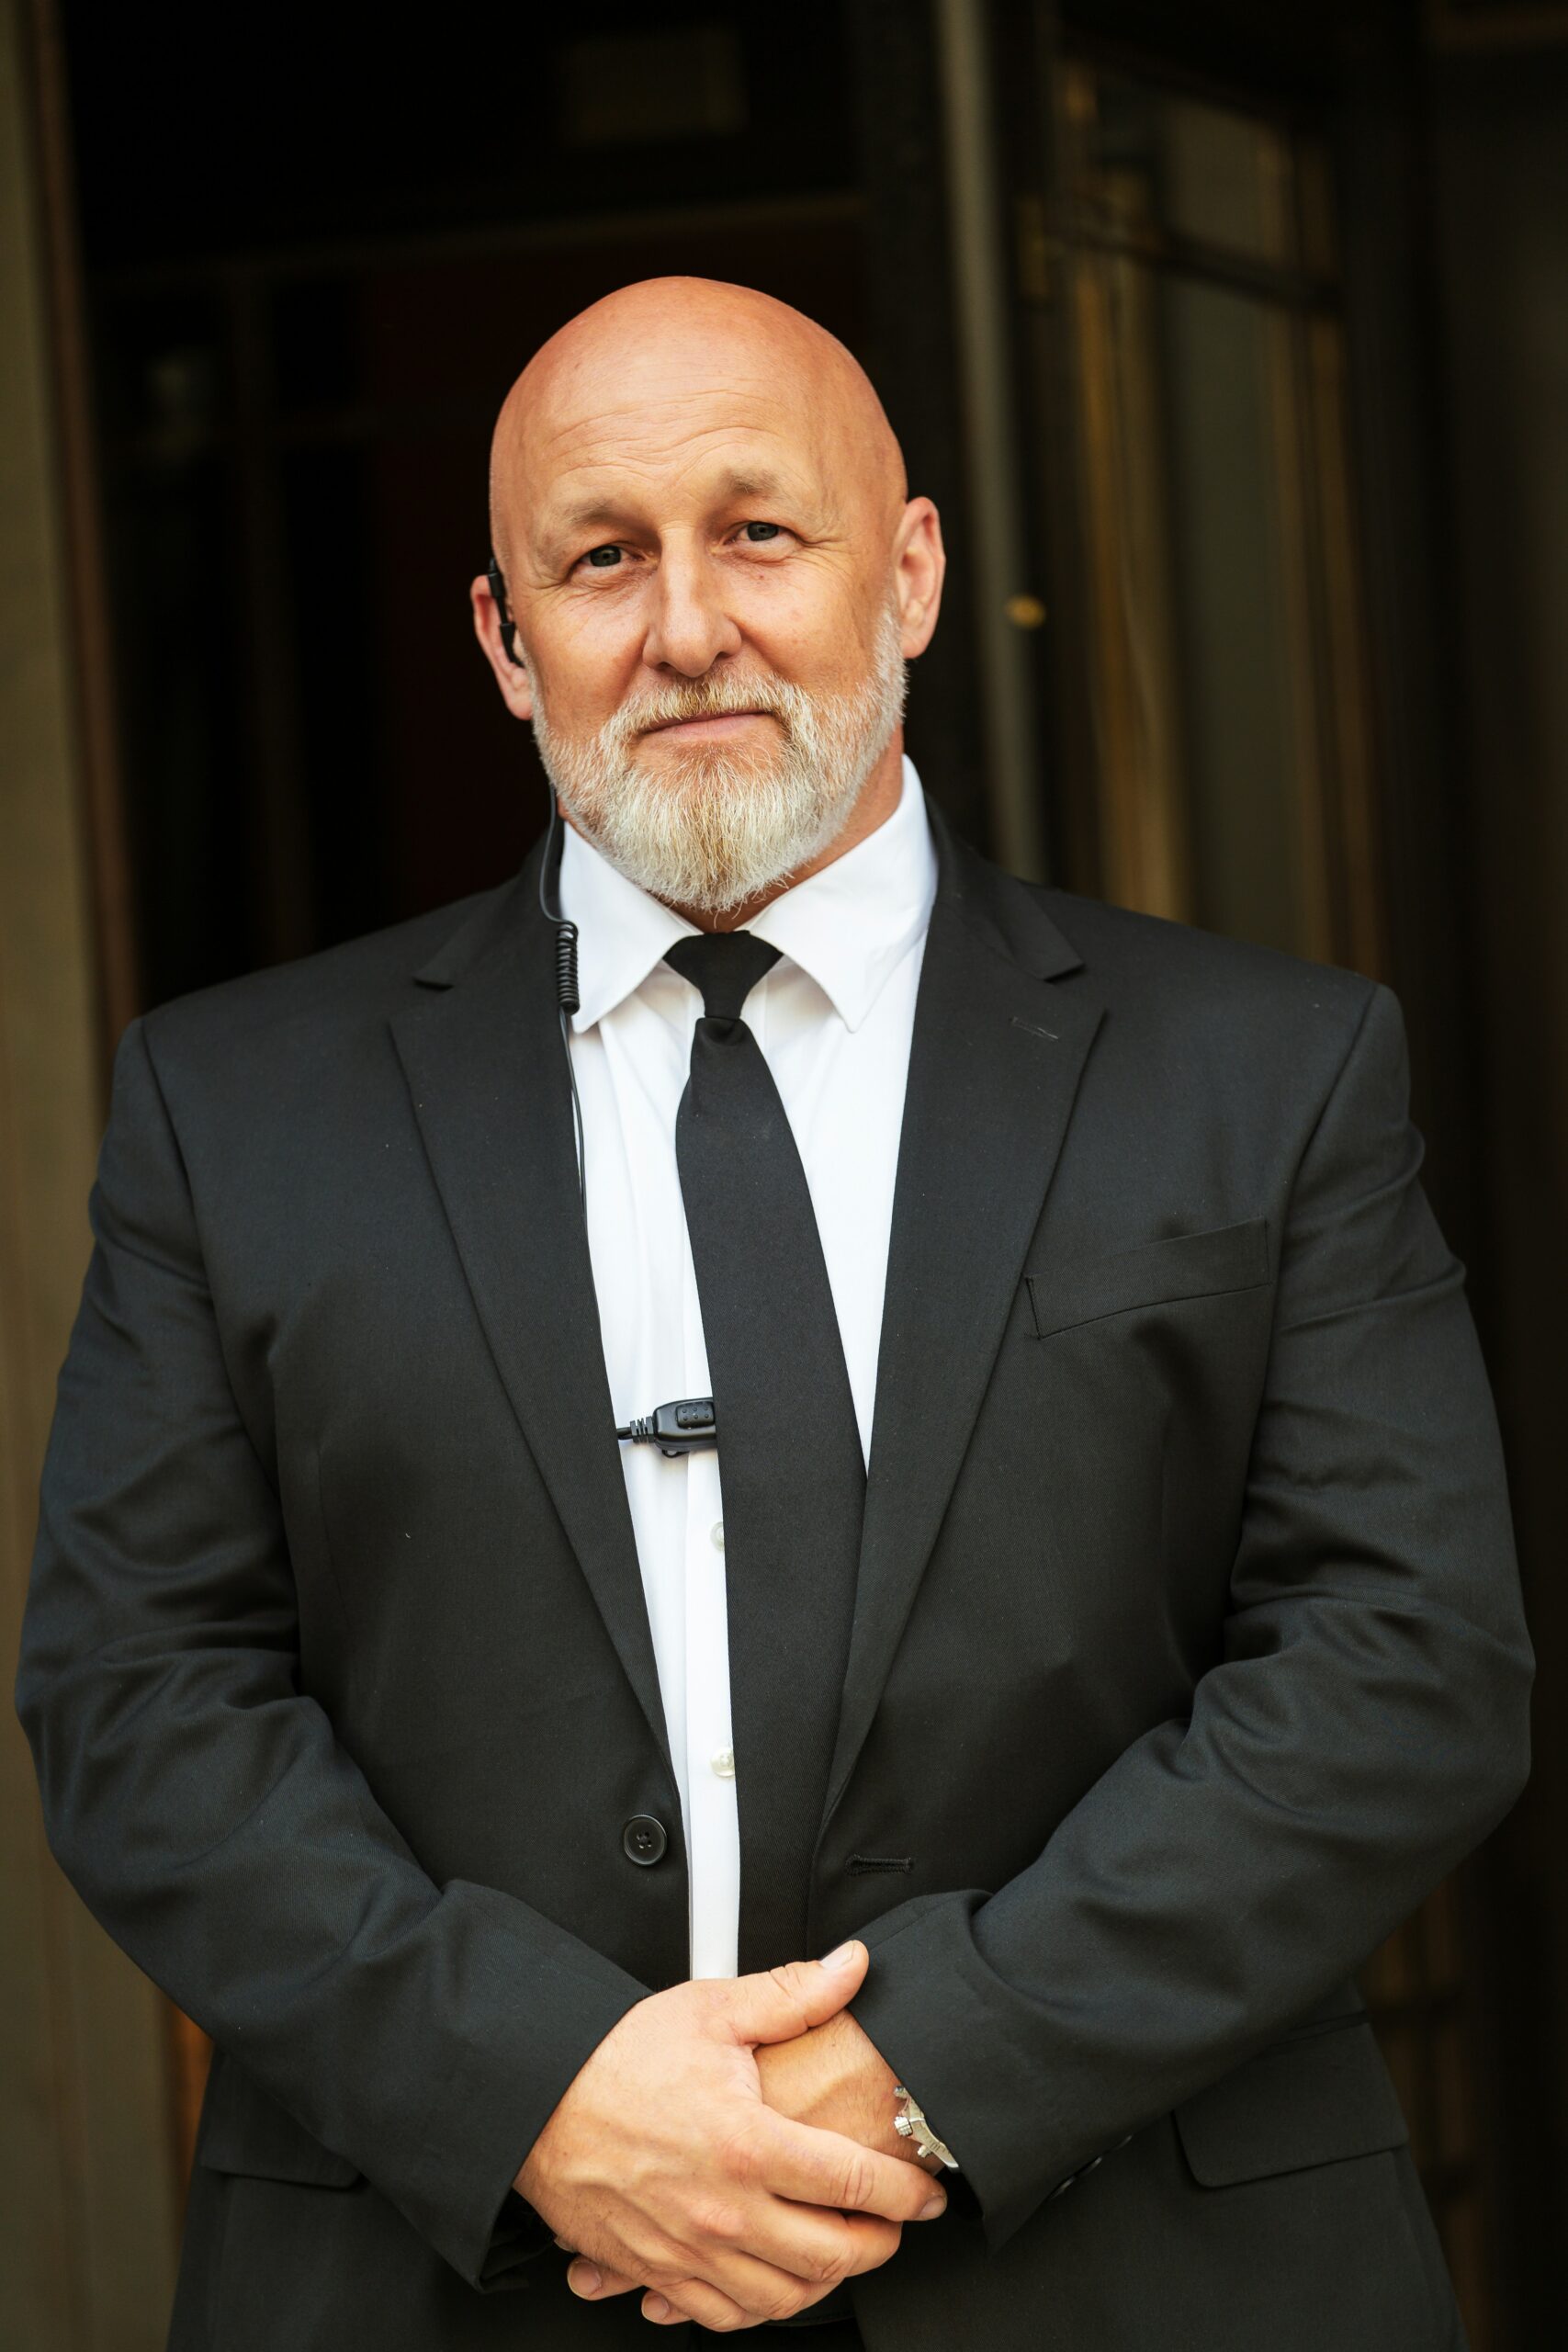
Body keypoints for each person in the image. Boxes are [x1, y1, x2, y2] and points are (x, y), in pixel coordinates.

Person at [17, 277, 1531, 2352]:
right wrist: (534, 2083)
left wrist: (915, 2074)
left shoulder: (1261, 1071)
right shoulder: (233, 1107)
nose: (688, 624)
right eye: (601, 557)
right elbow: (140, 1694)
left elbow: (1403, 1658)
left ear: (904, 574)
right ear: (499, 636)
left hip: (1138, 2268)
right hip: (453, 2267)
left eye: (758, 530)